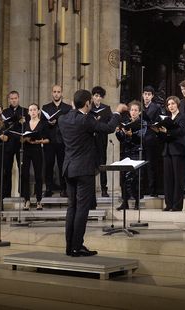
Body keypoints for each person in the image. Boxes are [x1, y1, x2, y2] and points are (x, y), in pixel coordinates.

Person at [60, 89, 125, 257]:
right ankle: (77, 246)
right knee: (82, 208)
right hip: (83, 169)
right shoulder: (86, 120)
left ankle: (70, 247)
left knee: (72, 207)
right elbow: (109, 127)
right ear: (88, 103)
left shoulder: (63, 119)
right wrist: (117, 112)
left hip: (68, 168)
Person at [153, 96, 185, 212]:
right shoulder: (167, 118)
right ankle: (168, 204)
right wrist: (159, 132)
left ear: (177, 104)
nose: (171, 106)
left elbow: (181, 131)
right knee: (168, 179)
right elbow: (165, 137)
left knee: (178, 179)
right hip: (167, 150)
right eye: (169, 104)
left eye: (173, 104)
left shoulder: (182, 117)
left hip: (178, 151)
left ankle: (177, 205)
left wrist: (168, 131)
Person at [41, 84, 72, 198]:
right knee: (48, 164)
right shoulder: (46, 107)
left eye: (58, 92)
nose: (56, 94)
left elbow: (70, 124)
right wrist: (48, 123)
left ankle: (64, 188)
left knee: (62, 165)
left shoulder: (67, 108)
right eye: (54, 92)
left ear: (62, 93)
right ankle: (48, 188)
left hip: (63, 141)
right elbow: (41, 124)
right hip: (49, 140)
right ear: (51, 93)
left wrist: (58, 122)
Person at [116, 101, 147, 210]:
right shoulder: (126, 122)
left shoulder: (142, 123)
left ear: (139, 112)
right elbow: (121, 139)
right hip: (126, 152)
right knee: (124, 177)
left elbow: (141, 136)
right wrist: (119, 132)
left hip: (137, 152)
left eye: (135, 110)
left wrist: (131, 134)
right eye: (131, 110)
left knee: (136, 178)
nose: (133, 112)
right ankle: (125, 201)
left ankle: (137, 202)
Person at [20, 104, 49, 210]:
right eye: (30, 110)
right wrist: (24, 139)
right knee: (25, 175)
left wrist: (38, 141)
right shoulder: (24, 124)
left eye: (34, 110)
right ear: (28, 112)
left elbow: (47, 139)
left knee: (38, 175)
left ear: (38, 111)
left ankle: (38, 200)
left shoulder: (43, 124)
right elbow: (21, 139)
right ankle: (26, 200)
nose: (32, 112)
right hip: (27, 150)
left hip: (37, 149)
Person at [2, 91, 28, 198]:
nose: (13, 100)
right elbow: (3, 127)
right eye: (11, 98)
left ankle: (22, 193)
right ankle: (6, 193)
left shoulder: (24, 111)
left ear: (18, 98)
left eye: (15, 98)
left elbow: (27, 126)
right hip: (8, 143)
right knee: (6, 169)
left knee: (22, 168)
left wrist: (23, 123)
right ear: (9, 99)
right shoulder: (4, 112)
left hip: (20, 143)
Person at [141, 86, 163, 198]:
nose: (146, 96)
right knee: (140, 165)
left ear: (152, 96)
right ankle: (141, 190)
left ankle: (152, 190)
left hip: (151, 139)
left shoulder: (156, 107)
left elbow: (159, 122)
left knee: (151, 166)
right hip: (140, 139)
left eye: (149, 94)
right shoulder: (139, 106)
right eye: (145, 94)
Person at [91, 86, 112, 198]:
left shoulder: (106, 109)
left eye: (99, 96)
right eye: (96, 96)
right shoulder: (89, 109)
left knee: (102, 163)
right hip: (91, 139)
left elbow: (110, 124)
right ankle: (91, 189)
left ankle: (104, 189)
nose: (98, 98)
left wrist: (99, 124)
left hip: (102, 138)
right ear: (93, 97)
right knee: (91, 164)